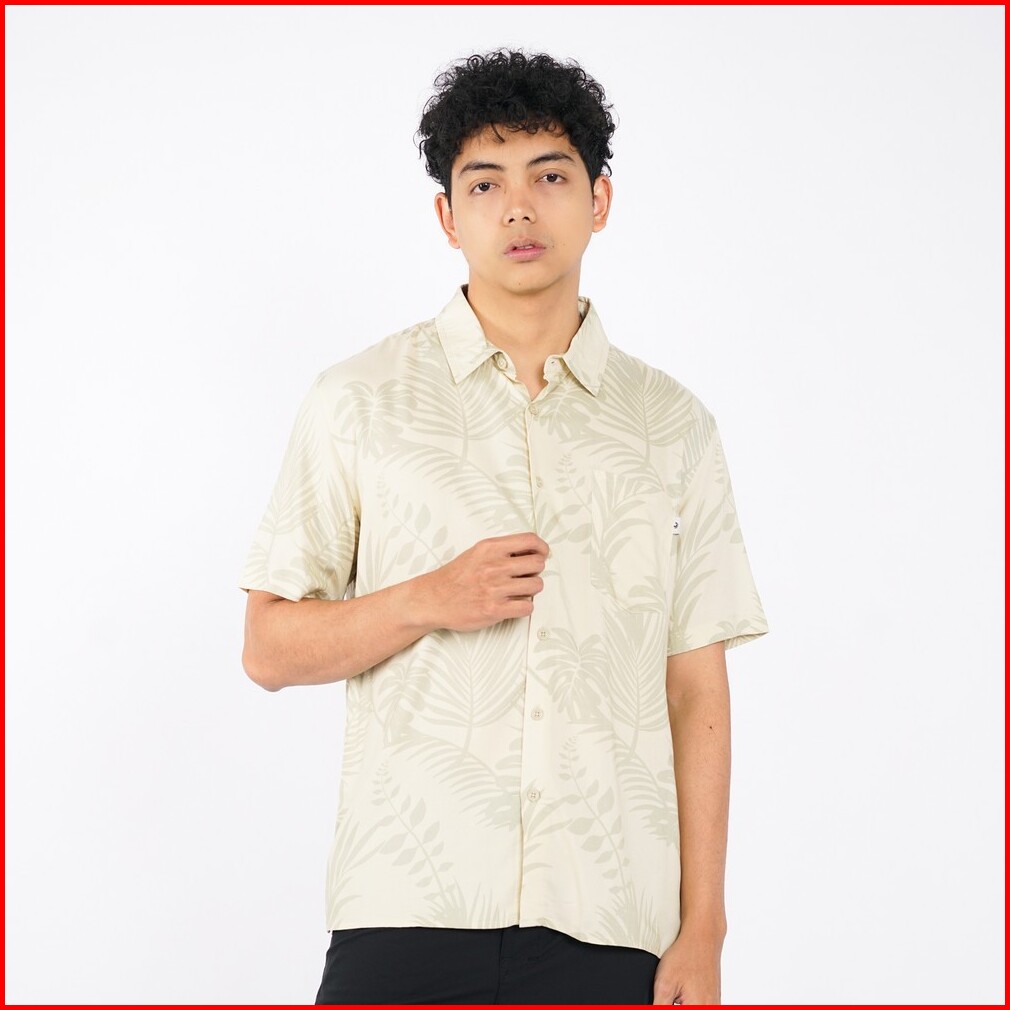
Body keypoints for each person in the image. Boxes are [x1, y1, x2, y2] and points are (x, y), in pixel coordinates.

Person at [240, 49, 768, 1006]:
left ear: (599, 201)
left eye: (549, 177)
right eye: (486, 183)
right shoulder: (358, 401)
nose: (519, 209)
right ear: (448, 216)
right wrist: (426, 599)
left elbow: (697, 689)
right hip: (405, 910)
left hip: (611, 921)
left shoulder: (673, 426)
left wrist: (705, 929)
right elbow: (268, 647)